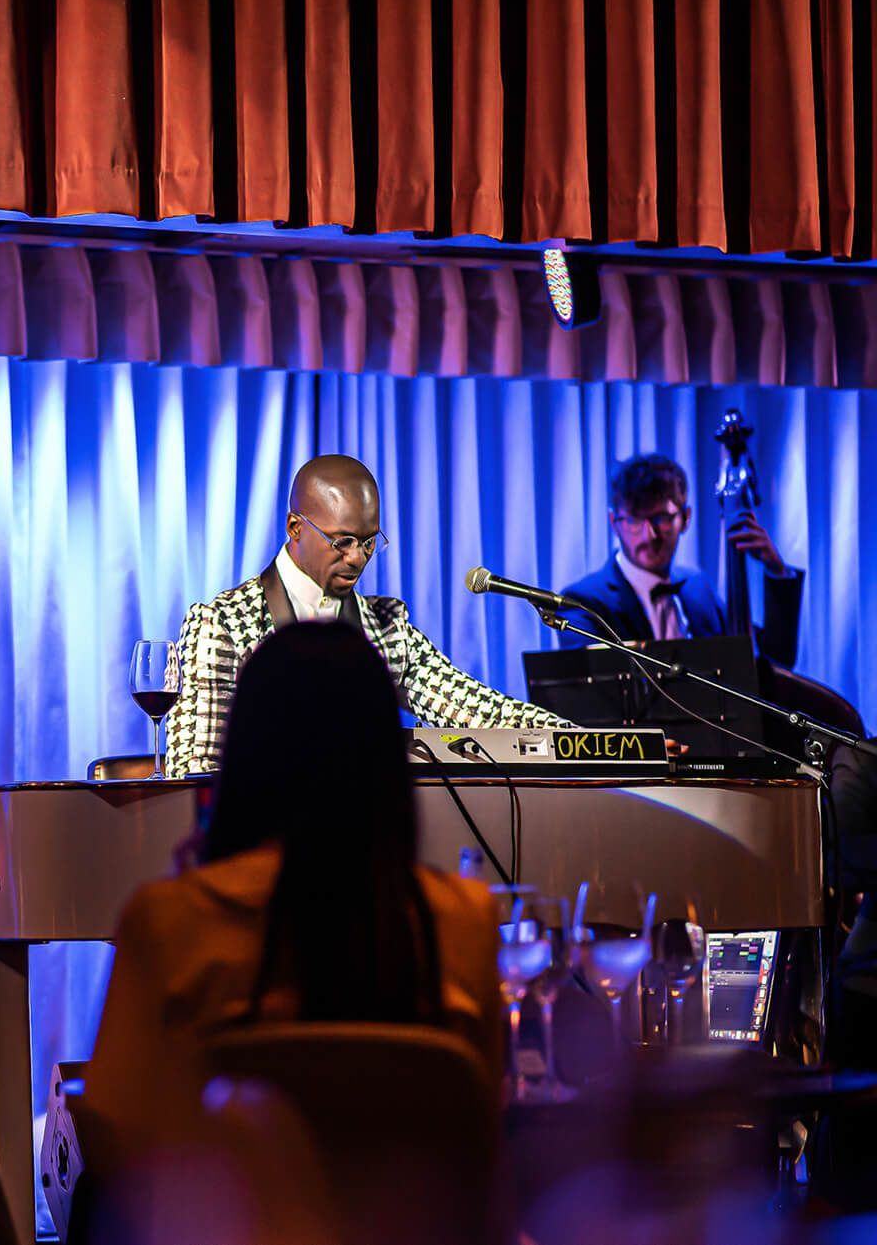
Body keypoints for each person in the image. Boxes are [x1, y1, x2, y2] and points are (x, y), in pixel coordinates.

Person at [84, 623, 503, 1166]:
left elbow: (116, 1140)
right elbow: (485, 1129)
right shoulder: (467, 920)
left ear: (244, 753)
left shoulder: (167, 922)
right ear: (384, 759)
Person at [166, 454, 566, 775]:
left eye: (369, 542)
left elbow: (477, 710)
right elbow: (197, 772)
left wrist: (579, 738)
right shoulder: (224, 623)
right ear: (295, 527)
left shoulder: (387, 627)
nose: (357, 558)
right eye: (342, 542)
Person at [555, 452, 801, 664]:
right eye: (634, 520)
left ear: (685, 518)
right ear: (614, 522)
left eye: (662, 518)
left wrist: (776, 570)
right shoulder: (582, 603)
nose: (649, 535)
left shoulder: (698, 588)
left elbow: (775, 659)